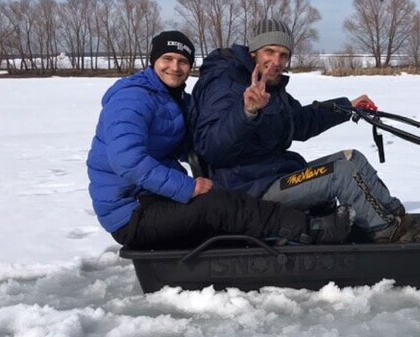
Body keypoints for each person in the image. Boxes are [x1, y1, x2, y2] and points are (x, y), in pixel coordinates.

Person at [191, 19, 420, 243]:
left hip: (271, 175)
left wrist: (347, 107)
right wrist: (247, 112)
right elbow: (211, 148)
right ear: (254, 52)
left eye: (283, 55)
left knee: (352, 159)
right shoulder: (226, 84)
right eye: (269, 51)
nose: (276, 61)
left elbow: (301, 121)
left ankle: (398, 219)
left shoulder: (270, 87)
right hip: (248, 190)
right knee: (341, 173)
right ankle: (390, 235)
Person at [86, 30, 352, 251]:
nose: (175, 67)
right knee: (219, 207)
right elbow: (126, 160)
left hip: (153, 199)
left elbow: (207, 142)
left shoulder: (177, 101)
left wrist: (247, 115)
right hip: (130, 212)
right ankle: (314, 231)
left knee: (224, 203)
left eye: (183, 61)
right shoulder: (131, 98)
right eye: (167, 58)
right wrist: (186, 187)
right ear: (153, 60)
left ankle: (287, 236)